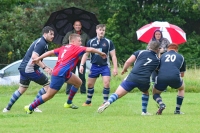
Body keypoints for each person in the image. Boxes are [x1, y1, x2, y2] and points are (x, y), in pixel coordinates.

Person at [24, 33, 106, 114]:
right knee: (49, 95)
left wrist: (39, 58)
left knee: (78, 82)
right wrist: (101, 53)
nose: (81, 43)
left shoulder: (64, 48)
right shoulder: (76, 48)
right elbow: (90, 49)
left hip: (65, 73)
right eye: (79, 41)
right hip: (59, 74)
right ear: (73, 41)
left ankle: (68, 103)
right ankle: (30, 107)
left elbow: (50, 52)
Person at [97, 41, 160, 115]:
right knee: (145, 92)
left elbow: (128, 62)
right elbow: (156, 69)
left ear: (149, 46)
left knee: (117, 94)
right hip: (144, 80)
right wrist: (158, 54)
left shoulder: (140, 52)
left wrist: (124, 70)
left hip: (133, 76)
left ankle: (108, 102)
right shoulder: (157, 60)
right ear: (158, 49)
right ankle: (144, 111)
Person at [2, 26, 54, 113]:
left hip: (24, 68)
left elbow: (38, 59)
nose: (53, 36)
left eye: (53, 34)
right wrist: (44, 68)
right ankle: (33, 106)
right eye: (51, 34)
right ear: (45, 34)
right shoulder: (42, 43)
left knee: (22, 89)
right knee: (48, 85)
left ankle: (7, 108)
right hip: (30, 69)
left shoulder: (41, 42)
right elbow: (34, 57)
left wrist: (47, 67)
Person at [80, 24, 118, 106]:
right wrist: (82, 65)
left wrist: (115, 68)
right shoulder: (90, 42)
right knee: (90, 84)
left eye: (103, 30)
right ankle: (88, 102)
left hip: (105, 66)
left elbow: (113, 56)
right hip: (94, 66)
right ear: (96, 30)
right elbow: (86, 54)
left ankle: (105, 102)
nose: (102, 31)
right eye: (100, 30)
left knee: (106, 83)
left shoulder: (108, 42)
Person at [153, 43, 186, 115]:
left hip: (161, 77)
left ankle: (161, 104)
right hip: (174, 77)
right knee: (181, 88)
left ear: (168, 49)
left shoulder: (162, 56)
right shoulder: (181, 57)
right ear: (177, 50)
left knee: (155, 93)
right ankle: (177, 110)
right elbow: (182, 74)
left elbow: (157, 68)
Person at [62, 20, 90, 94]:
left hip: (81, 59)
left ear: (81, 26)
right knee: (70, 75)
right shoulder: (69, 34)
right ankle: (68, 92)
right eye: (76, 25)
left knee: (82, 76)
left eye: (79, 25)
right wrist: (72, 47)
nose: (78, 26)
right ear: (74, 26)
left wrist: (85, 53)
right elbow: (64, 44)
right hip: (72, 59)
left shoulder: (85, 35)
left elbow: (89, 46)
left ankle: (83, 92)